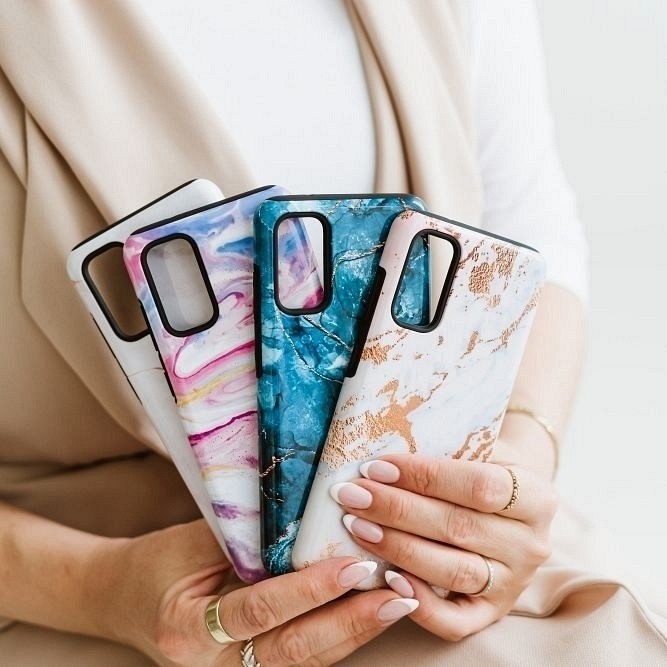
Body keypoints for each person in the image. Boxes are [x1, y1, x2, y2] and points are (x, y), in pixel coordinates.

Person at [0, 1, 664, 665]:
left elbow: (528, 222)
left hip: (421, 521)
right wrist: (96, 588)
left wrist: (517, 462)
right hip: (65, 567)